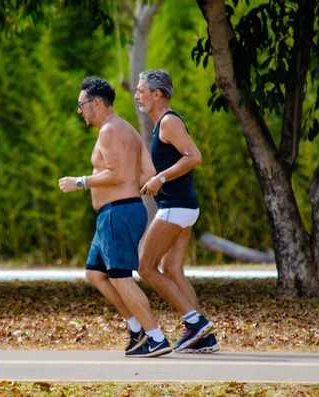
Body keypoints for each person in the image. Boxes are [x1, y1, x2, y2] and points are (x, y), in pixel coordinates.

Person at [59, 76, 172, 357]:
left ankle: (155, 337)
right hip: (122, 211)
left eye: (81, 105)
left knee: (120, 277)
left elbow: (118, 173)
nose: (79, 111)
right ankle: (136, 328)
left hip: (117, 213)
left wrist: (81, 181)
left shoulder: (110, 131)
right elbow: (147, 174)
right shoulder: (129, 130)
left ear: (97, 103)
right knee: (95, 274)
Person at [135, 69, 218, 353]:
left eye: (141, 91)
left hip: (175, 207)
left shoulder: (169, 122)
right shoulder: (162, 124)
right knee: (172, 269)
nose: (137, 96)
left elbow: (194, 156)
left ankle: (194, 320)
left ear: (156, 94)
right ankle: (203, 337)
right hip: (183, 206)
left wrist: (160, 178)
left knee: (145, 267)